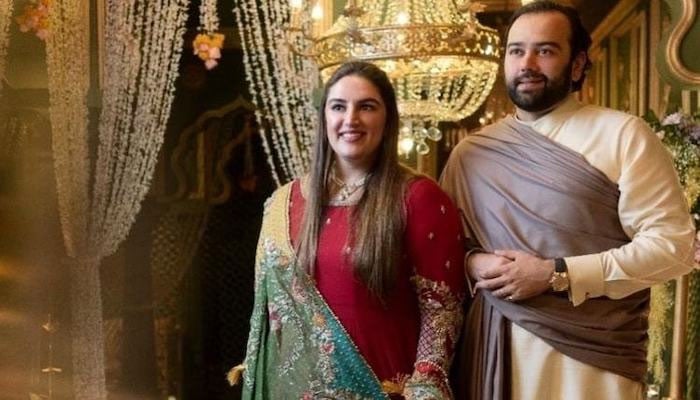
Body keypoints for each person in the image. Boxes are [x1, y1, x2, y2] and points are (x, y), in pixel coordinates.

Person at [440, 2, 696, 400]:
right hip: (493, 349)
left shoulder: (622, 134)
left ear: (577, 65)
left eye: (545, 50)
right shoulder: (470, 154)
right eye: (516, 50)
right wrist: (474, 263)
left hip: (594, 360)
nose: (526, 63)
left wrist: (558, 273)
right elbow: (442, 254)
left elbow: (673, 246)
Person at [231, 61, 466, 399]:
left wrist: (426, 384)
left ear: (387, 119)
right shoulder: (283, 203)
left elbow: (442, 311)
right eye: (338, 106)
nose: (350, 119)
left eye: (366, 107)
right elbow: (269, 320)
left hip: (382, 389)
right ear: (324, 117)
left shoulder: (419, 198)